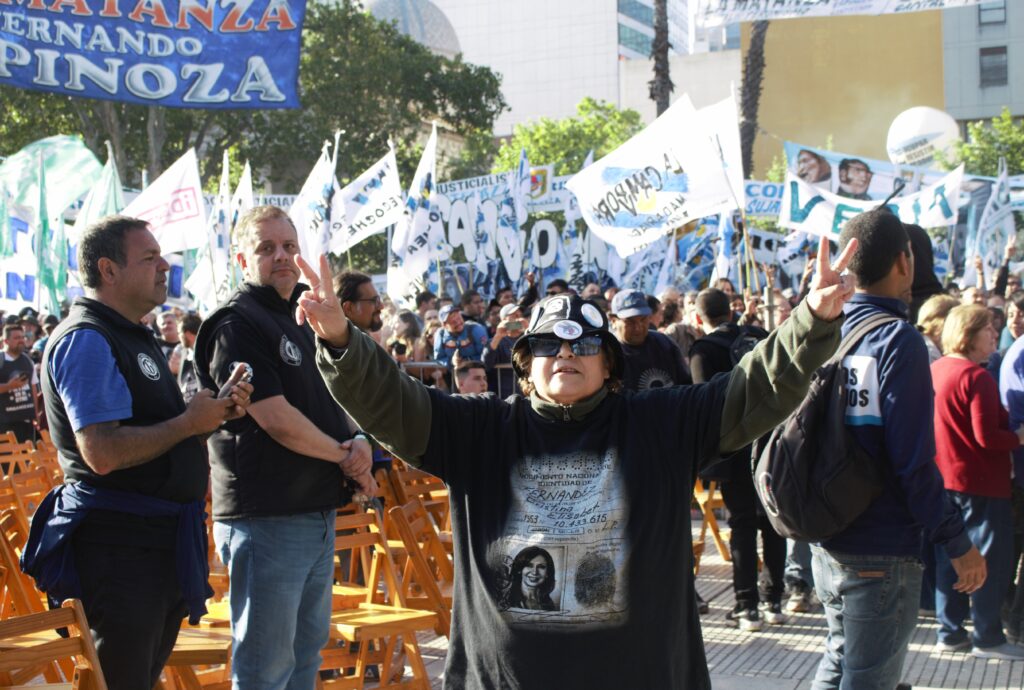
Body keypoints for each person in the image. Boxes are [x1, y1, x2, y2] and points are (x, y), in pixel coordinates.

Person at [293, 231, 856, 688]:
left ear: (609, 366)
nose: (566, 353)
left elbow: (755, 388)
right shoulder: (480, 429)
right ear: (525, 363)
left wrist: (811, 319)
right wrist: (342, 338)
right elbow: (392, 402)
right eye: (548, 346)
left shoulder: (662, 422)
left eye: (584, 344)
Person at [27, 215, 252, 690]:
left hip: (154, 546)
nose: (163, 265)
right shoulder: (87, 338)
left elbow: (159, 432)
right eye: (148, 257)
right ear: (108, 271)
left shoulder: (132, 332)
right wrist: (189, 422)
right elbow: (102, 451)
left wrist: (211, 415)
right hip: (121, 551)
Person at [193, 206, 373, 689]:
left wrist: (356, 438)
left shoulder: (301, 315)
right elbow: (276, 420)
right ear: (240, 259)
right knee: (264, 670)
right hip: (267, 517)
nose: (282, 257)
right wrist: (346, 455)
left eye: (290, 246)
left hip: (314, 510)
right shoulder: (236, 323)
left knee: (304, 657)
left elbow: (331, 399)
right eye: (266, 248)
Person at [811, 208, 986, 690]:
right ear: (903, 263)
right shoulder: (897, 340)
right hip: (881, 550)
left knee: (837, 665)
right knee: (867, 681)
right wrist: (958, 543)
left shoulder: (823, 330)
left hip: (826, 543)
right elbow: (912, 463)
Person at [932, 304, 1024, 659]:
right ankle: (987, 636)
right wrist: (1017, 436)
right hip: (981, 482)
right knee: (988, 558)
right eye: (988, 329)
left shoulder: (937, 369)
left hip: (946, 479)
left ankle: (950, 631)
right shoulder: (976, 377)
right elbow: (986, 436)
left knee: (950, 556)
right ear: (969, 335)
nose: (994, 335)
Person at [689, 289, 783, 631]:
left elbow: (703, 399)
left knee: (742, 524)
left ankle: (747, 605)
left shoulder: (703, 350)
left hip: (735, 447)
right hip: (771, 442)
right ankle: (774, 598)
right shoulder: (758, 336)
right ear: (731, 311)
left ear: (699, 319)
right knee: (773, 521)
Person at [609, 289, 691, 390]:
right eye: (630, 322)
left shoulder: (665, 344)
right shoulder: (608, 353)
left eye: (643, 319)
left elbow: (686, 386)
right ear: (613, 321)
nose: (638, 327)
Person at [0, 323, 38, 443]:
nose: (21, 340)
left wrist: (35, 414)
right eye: (17, 338)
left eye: (22, 337)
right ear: (6, 341)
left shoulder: (27, 360)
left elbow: (33, 389)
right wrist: (10, 386)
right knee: (7, 460)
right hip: (4, 423)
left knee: (29, 460)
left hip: (26, 421)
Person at [483, 303, 525, 397]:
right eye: (515, 316)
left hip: (527, 392)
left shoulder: (527, 337)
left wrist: (529, 330)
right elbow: (486, 364)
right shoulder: (495, 341)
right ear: (504, 320)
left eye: (520, 316)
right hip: (505, 395)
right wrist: (498, 336)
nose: (518, 319)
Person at [501, 546, 558, 611]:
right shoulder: (504, 600)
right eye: (529, 566)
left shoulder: (549, 604)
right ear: (520, 570)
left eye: (541, 567)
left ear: (547, 573)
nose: (534, 572)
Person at [335, 270, 384, 334]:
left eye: (378, 299)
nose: (381, 306)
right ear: (349, 308)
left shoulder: (363, 341)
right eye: (374, 300)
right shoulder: (354, 343)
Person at [176, 313, 203, 403]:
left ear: (187, 334)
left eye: (179, 333)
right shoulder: (185, 354)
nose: (178, 336)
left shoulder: (207, 355)